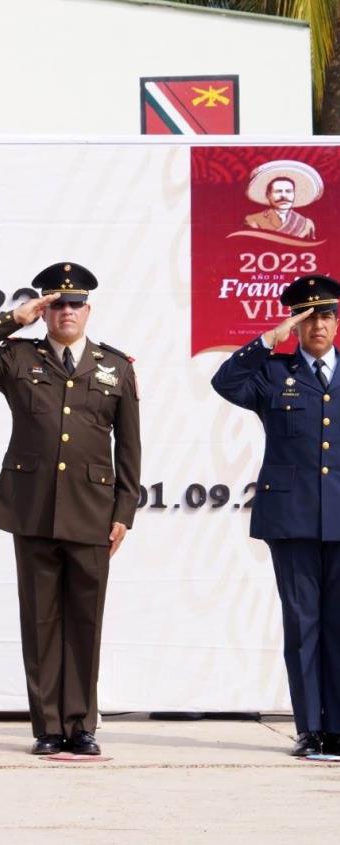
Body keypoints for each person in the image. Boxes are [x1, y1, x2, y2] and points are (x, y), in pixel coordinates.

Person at [0, 263, 141, 756]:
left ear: (88, 310)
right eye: (57, 304)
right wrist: (14, 319)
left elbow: (130, 447)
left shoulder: (114, 366)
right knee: (40, 621)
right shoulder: (18, 358)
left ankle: (81, 725)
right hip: (32, 508)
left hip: (93, 510)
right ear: (45, 310)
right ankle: (49, 727)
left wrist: (124, 510)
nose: (67, 312)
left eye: (75, 304)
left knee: (85, 622)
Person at [211, 274, 340, 757]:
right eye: (307, 317)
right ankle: (312, 728)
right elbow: (226, 382)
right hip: (292, 517)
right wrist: (270, 339)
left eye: (325, 315)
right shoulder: (275, 373)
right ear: (296, 323)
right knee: (303, 624)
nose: (318, 325)